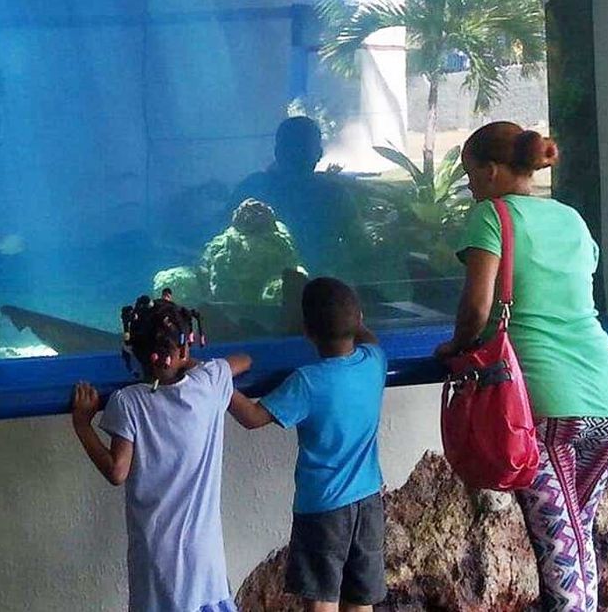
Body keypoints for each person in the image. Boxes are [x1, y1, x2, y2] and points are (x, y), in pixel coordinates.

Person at [436, 122, 608, 612]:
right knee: (576, 538)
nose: (470, 186)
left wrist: (455, 348)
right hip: (607, 397)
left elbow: (477, 310)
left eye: (471, 174)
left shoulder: (491, 216)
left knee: (560, 554)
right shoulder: (571, 219)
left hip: (543, 407)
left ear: (493, 169)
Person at [71, 292, 251, 612]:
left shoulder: (129, 402)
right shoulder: (209, 383)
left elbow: (117, 471)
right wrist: (188, 361)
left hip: (155, 557)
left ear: (135, 351)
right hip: (202, 557)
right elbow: (245, 360)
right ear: (186, 345)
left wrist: (83, 426)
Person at [229, 277, 388, 612]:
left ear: (306, 331)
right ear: (359, 318)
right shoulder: (375, 363)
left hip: (323, 509)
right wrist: (353, 321)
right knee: (361, 599)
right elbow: (369, 338)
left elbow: (252, 417)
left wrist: (215, 383)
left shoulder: (307, 381)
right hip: (369, 501)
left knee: (321, 600)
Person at [226, 117, 360, 274]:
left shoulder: (251, 188)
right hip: (320, 292)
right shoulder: (334, 194)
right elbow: (361, 251)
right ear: (319, 153)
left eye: (302, 148)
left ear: (277, 152)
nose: (297, 153)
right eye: (294, 148)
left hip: (264, 292)